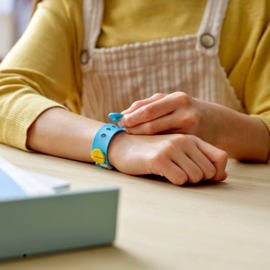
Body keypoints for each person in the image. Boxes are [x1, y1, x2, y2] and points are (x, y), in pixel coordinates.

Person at [0, 0, 269, 185]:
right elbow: (6, 92)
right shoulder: (74, 6)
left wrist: (220, 126)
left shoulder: (256, 8)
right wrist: (116, 144)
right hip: (110, 210)